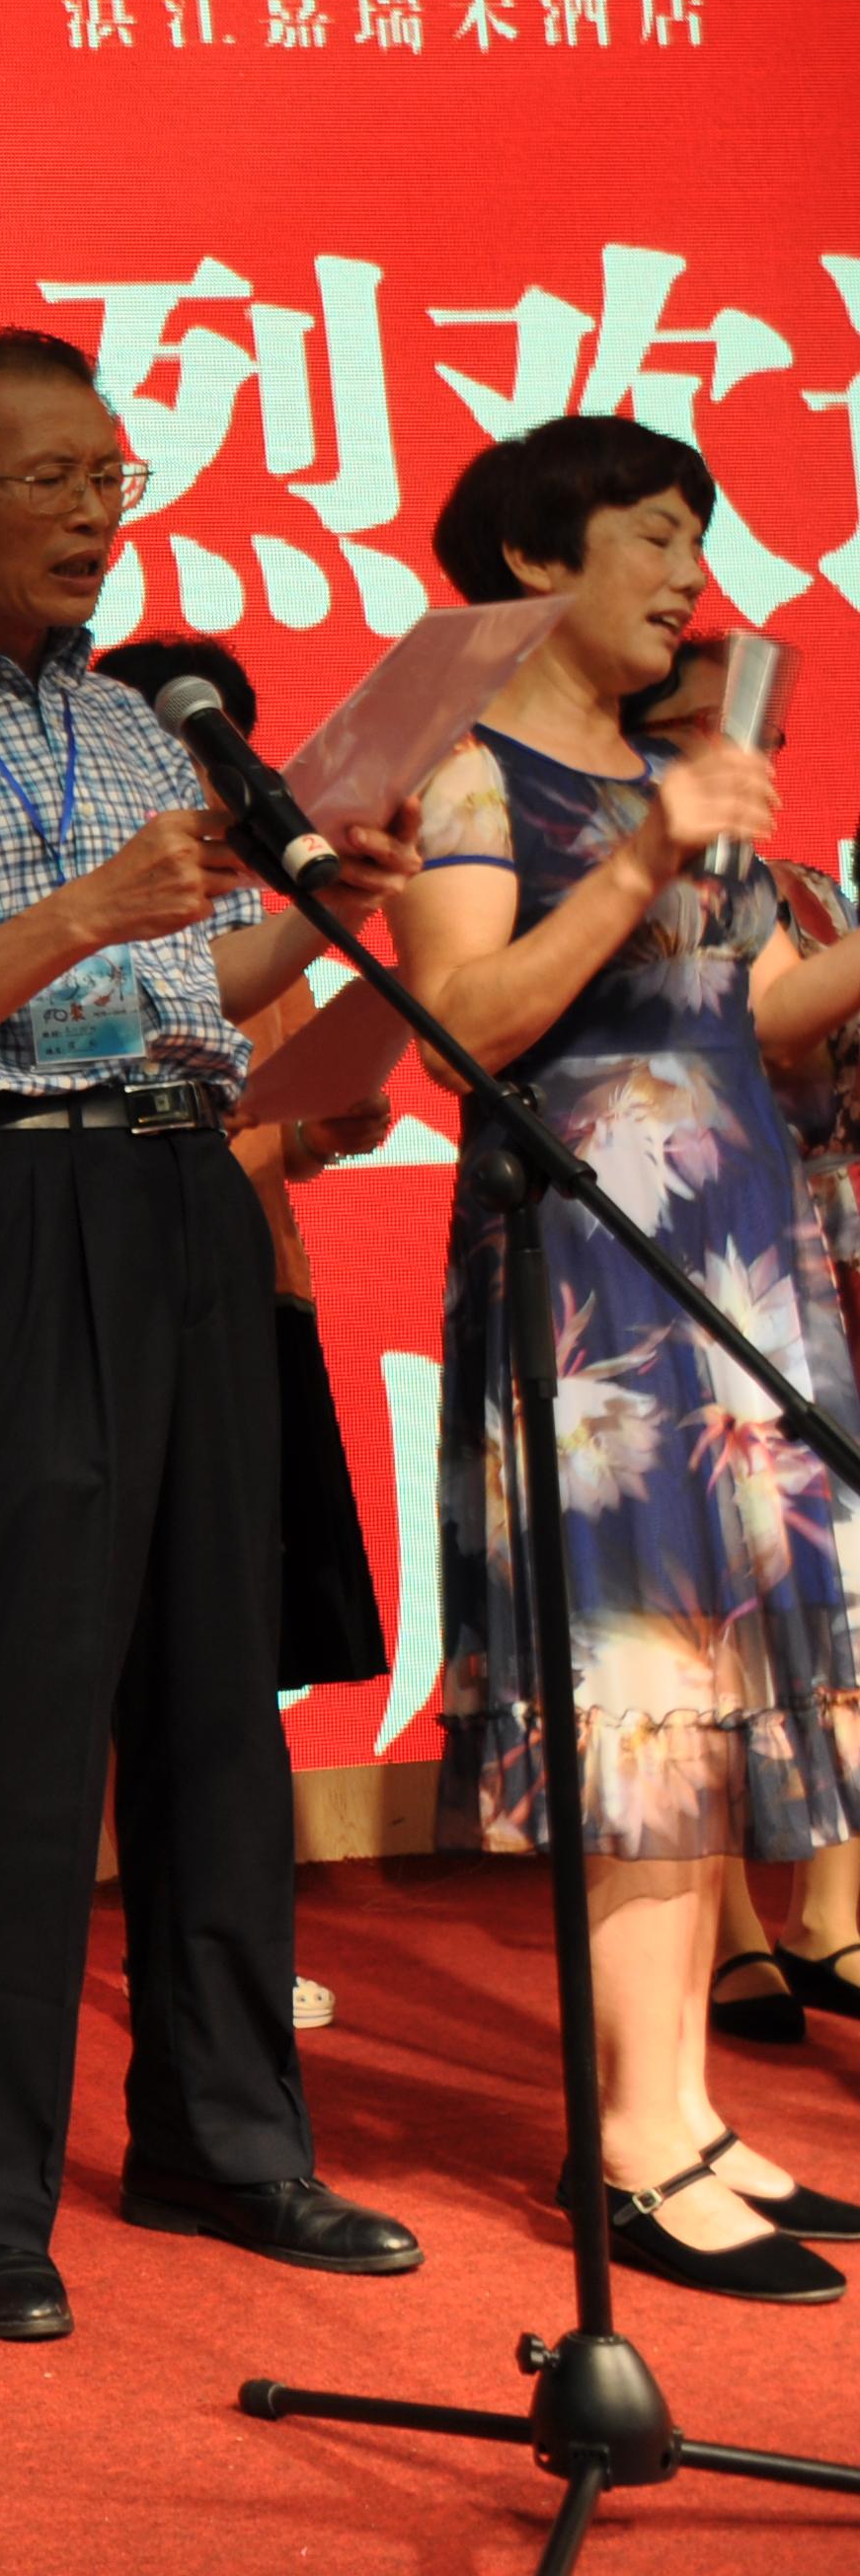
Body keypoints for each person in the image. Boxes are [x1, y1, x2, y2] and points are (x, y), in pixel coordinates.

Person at [0, 328, 429, 2347]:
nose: (94, 512)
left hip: (185, 1194)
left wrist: (327, 909)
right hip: (4, 1209)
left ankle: (227, 2133)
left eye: (111, 475)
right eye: (47, 477)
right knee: (23, 1704)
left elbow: (195, 984)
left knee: (218, 1689)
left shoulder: (146, 726)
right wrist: (86, 914)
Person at [384, 421, 860, 2299]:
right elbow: (465, 1020)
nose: (686, 578)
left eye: (694, 542)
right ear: (533, 558)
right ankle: (634, 2149)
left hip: (736, 1253)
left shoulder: (661, 762)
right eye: (653, 539)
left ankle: (691, 2113)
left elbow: (740, 1008)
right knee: (641, 1706)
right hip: (595, 1274)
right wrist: (647, 852)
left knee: (725, 1696)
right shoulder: (469, 769)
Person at [102, 637, 398, 2045]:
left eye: (229, 750)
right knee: (162, 1644)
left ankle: (233, 1944)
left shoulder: (264, 903)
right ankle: (188, 1947)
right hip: (142, 1294)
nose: (217, 784)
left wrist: (335, 1117)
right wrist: (280, 1125)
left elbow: (272, 1126)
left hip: (262, 1290)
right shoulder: (110, 911)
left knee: (244, 1644)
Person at [645, 635, 860, 2052]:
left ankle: (832, 1910)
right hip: (680, 1247)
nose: (749, 757)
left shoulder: (807, 892)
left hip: (815, 1250)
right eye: (709, 727)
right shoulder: (617, 863)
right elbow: (776, 1042)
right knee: (697, 1599)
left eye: (763, 734)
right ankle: (723, 1926)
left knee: (831, 1586)